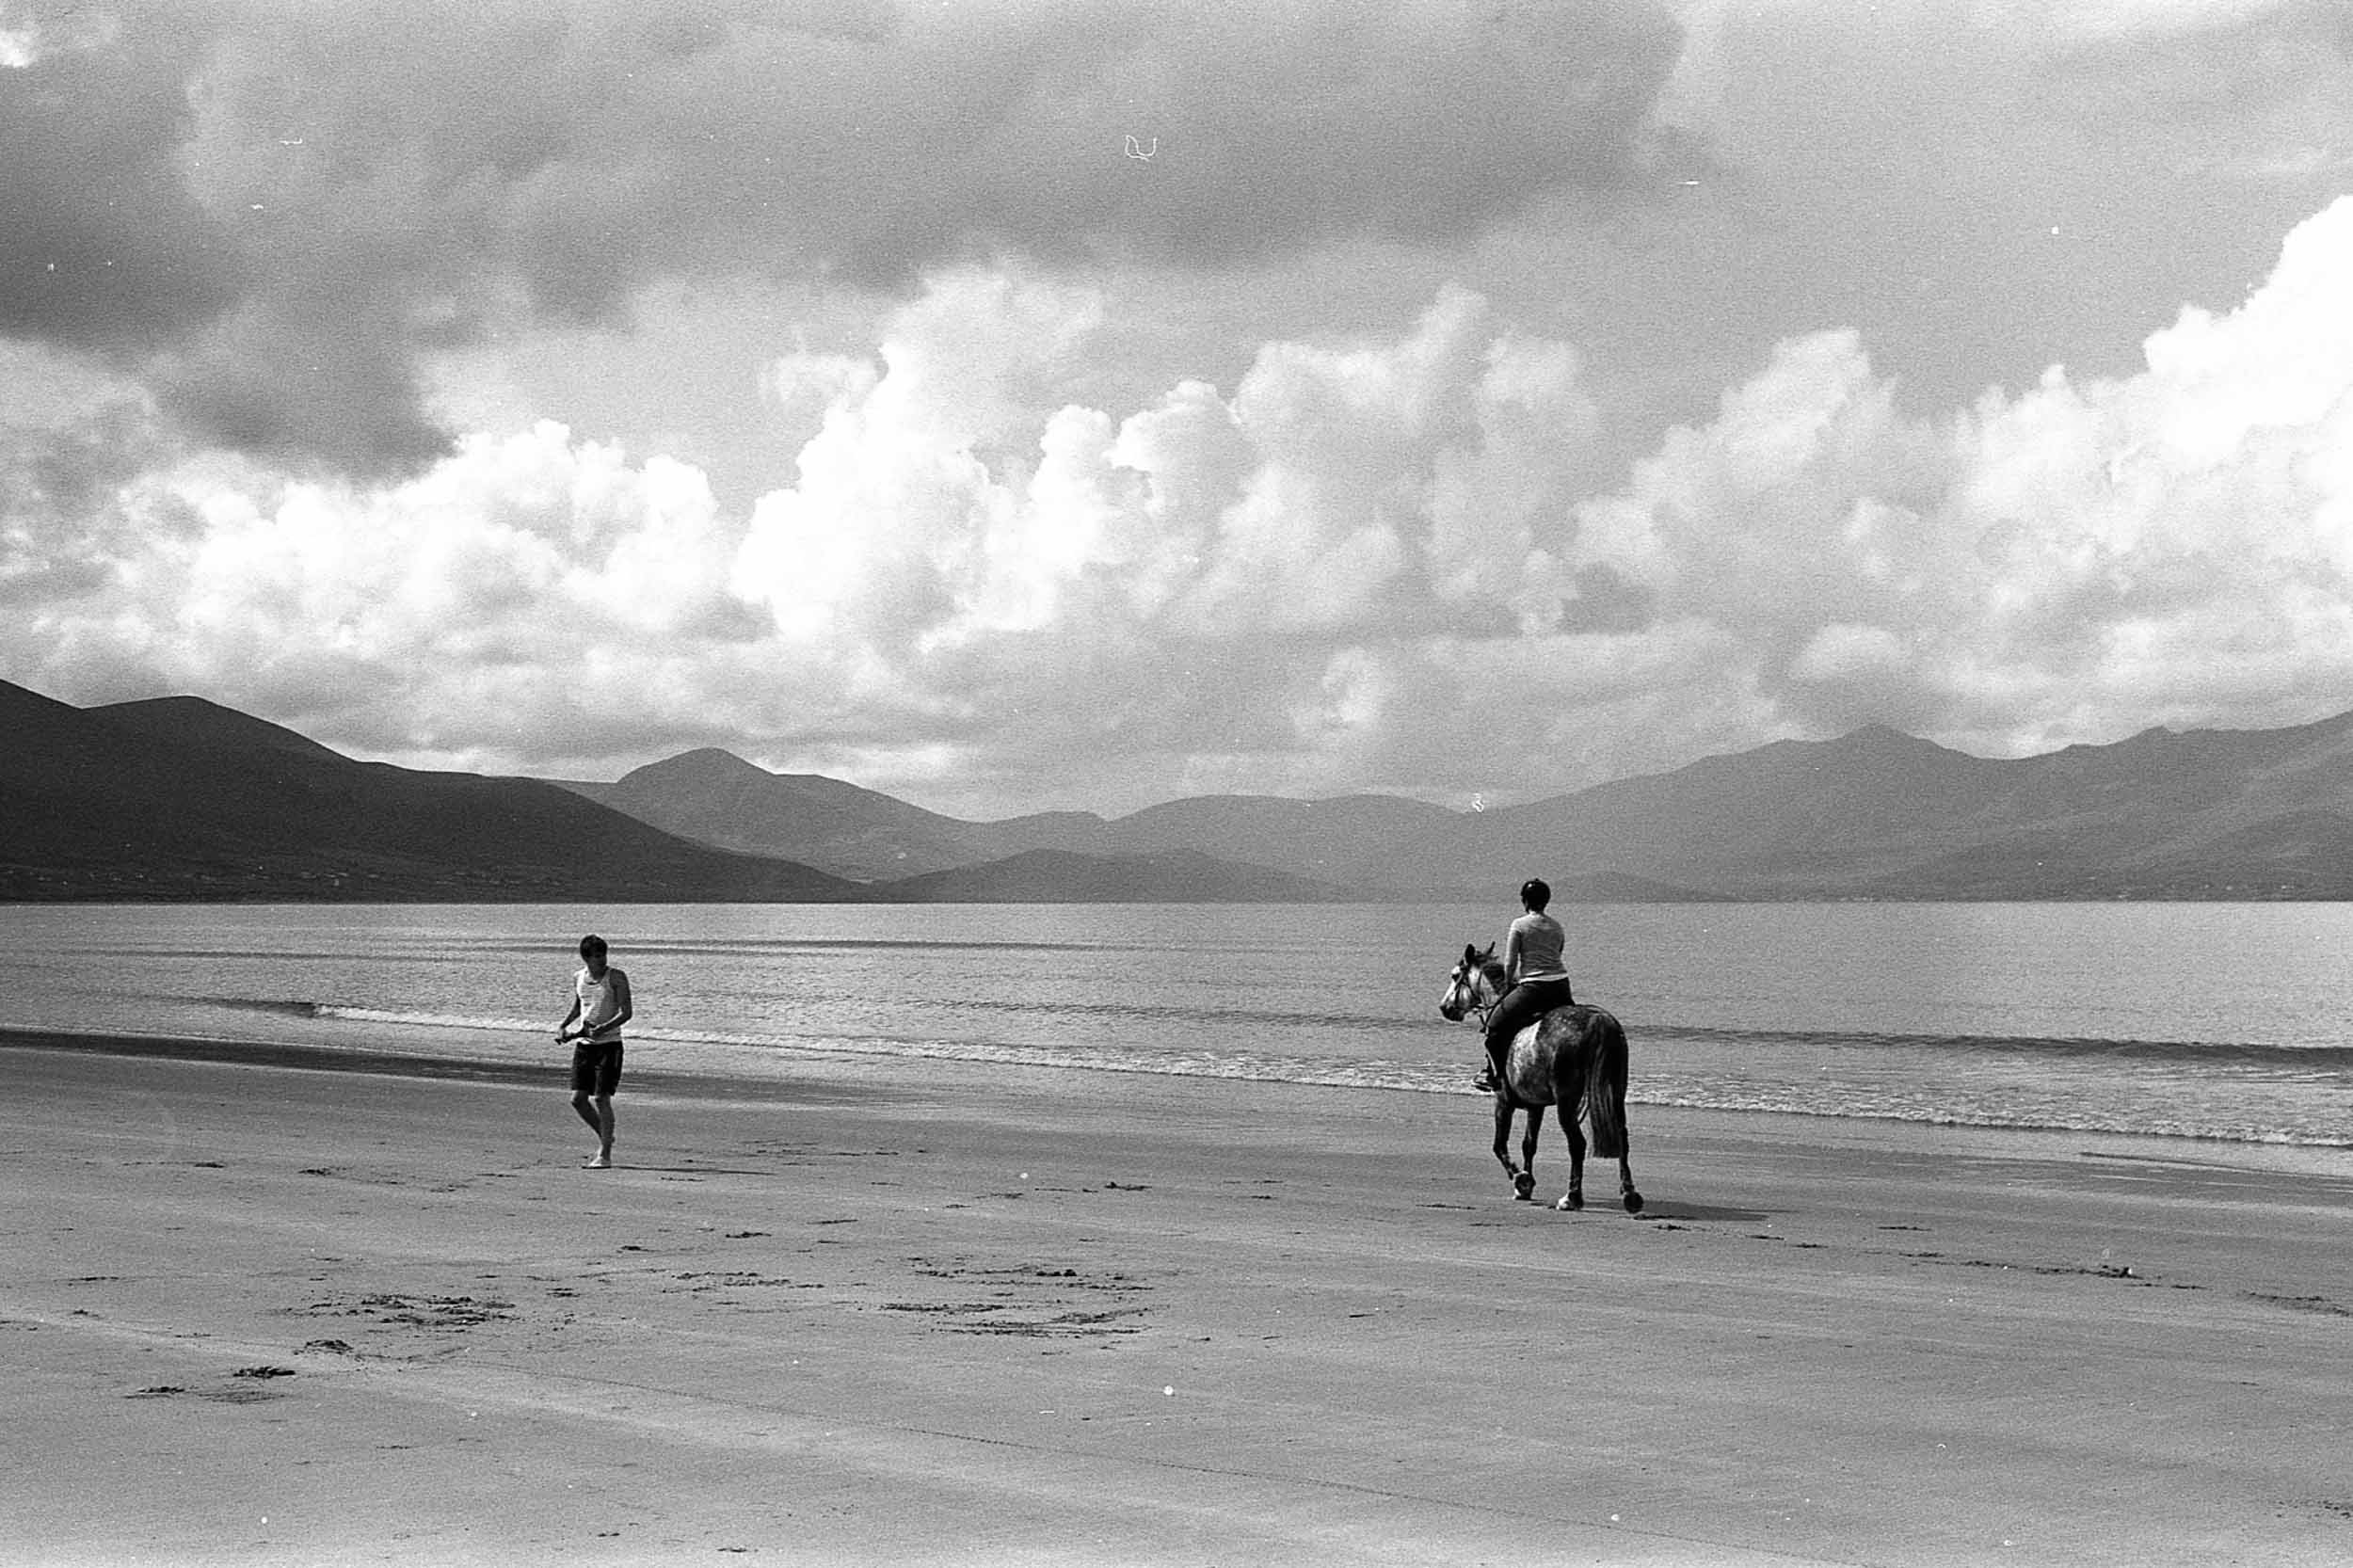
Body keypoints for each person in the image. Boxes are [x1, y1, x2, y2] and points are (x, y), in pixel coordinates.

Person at [1473, 877, 1575, 1093]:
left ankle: (1495, 1076)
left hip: (1534, 989)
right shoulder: (1557, 926)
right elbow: (1557, 954)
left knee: (1493, 1027)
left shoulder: (1519, 924)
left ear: (1525, 901)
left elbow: (1510, 962)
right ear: (1546, 901)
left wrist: (1509, 984)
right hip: (1561, 987)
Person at [556, 934, 633, 1169]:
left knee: (601, 1098)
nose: (601, 960)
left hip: (610, 1046)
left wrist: (603, 1029)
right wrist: (564, 1026)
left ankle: (605, 1154)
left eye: (604, 955)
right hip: (584, 1046)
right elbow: (580, 1005)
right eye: (596, 956)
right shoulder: (578, 977)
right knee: (578, 1099)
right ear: (586, 958)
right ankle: (606, 1134)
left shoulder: (617, 977)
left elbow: (626, 1012)